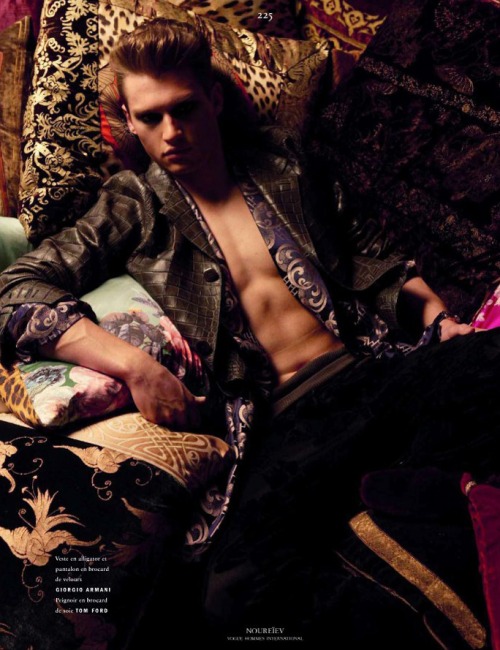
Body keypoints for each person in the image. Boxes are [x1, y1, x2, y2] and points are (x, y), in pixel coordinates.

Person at [0, 17, 499, 647]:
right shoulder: (133, 203)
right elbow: (16, 287)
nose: (171, 132)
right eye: (150, 117)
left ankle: (419, 498)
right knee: (231, 599)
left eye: (184, 108)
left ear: (213, 97)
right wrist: (134, 365)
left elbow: (374, 255)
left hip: (374, 368)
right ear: (129, 120)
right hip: (286, 422)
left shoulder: (282, 160)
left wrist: (442, 322)